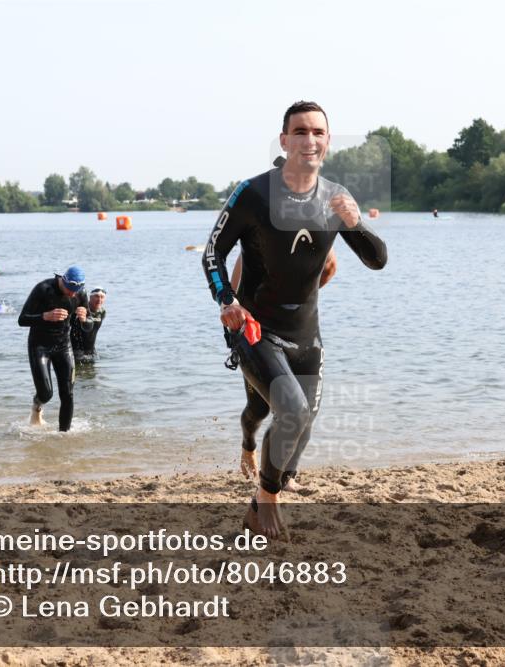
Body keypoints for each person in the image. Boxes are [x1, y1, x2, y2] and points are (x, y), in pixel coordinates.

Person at [202, 100, 387, 539]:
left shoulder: (336, 197)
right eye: (299, 132)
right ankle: (265, 501)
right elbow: (212, 252)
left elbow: (377, 259)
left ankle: (261, 493)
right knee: (285, 410)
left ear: (327, 141)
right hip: (254, 328)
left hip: (307, 335)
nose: (309, 139)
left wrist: (356, 224)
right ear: (284, 141)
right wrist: (227, 300)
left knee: (297, 427)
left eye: (318, 132)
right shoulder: (253, 193)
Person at [232, 248, 336, 486]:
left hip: (303, 335)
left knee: (307, 412)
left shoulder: (315, 234)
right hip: (261, 337)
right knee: (258, 409)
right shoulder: (254, 243)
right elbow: (233, 293)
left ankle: (287, 477)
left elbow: (329, 267)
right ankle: (248, 444)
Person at [18, 266, 92, 431]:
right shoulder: (43, 289)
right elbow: (22, 320)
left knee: (67, 394)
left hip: (64, 346)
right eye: (69, 290)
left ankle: (63, 435)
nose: (72, 294)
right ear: (62, 281)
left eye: (76, 291)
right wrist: (45, 316)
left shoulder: (81, 293)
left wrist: (85, 319)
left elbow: (88, 326)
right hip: (39, 346)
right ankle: (37, 407)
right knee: (46, 393)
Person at [71, 287, 107, 363]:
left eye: (102, 297)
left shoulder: (102, 312)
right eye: (96, 296)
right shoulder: (81, 310)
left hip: (91, 351)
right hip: (76, 351)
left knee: (92, 374)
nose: (99, 300)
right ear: (90, 297)